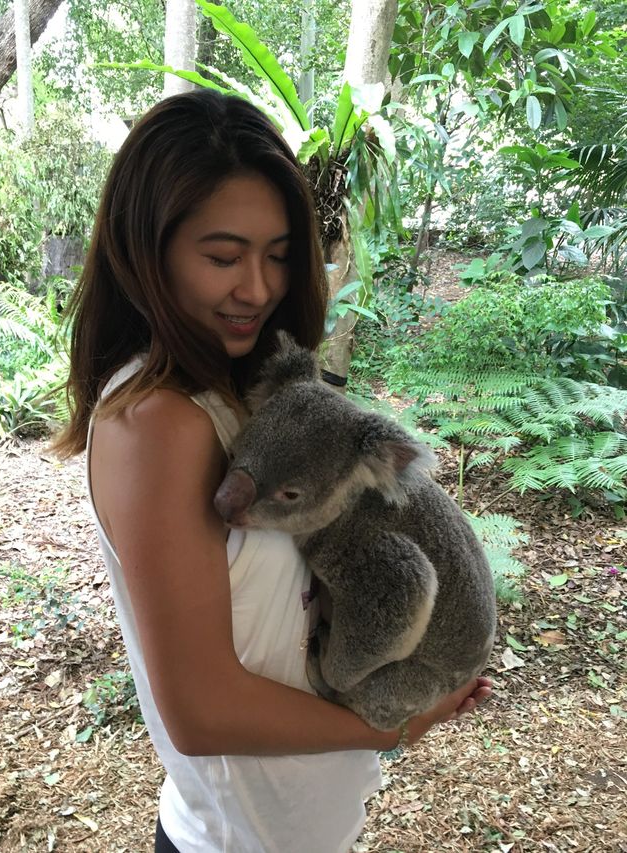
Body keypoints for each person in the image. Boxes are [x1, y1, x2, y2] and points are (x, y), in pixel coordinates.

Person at [54, 90, 492, 853]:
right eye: (223, 256)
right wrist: (394, 724)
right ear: (143, 249)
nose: (257, 288)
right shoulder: (159, 423)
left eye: (280, 254)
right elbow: (201, 711)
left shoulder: (245, 391)